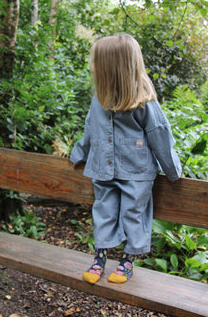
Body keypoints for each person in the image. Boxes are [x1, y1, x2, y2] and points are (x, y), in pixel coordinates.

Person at [70, 34, 182, 285]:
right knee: (104, 212)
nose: (93, 68)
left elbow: (160, 136)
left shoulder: (144, 103)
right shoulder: (98, 100)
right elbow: (90, 131)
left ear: (109, 69)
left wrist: (172, 171)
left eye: (96, 64)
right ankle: (100, 258)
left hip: (137, 171)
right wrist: (79, 154)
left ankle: (127, 261)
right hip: (102, 169)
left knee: (134, 213)